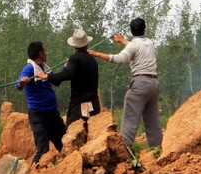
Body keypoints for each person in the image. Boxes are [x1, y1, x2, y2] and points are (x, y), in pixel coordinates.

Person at [89, 17, 163, 148]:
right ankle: (157, 150)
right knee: (153, 121)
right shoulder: (150, 43)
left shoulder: (132, 45)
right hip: (154, 84)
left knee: (130, 119)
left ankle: (125, 151)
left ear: (131, 30)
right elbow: (135, 46)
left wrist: (96, 54)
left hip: (140, 84)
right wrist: (122, 41)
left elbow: (120, 58)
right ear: (144, 29)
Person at [16, 41, 64, 164]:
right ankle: (34, 173)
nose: (46, 53)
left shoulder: (44, 68)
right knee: (43, 149)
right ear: (40, 53)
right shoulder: (29, 68)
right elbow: (18, 85)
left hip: (52, 113)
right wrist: (22, 81)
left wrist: (65, 68)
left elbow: (56, 81)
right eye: (45, 50)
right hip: (38, 115)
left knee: (62, 142)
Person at [43, 27, 101, 126]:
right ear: (87, 44)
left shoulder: (74, 59)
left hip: (79, 107)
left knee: (73, 134)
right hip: (94, 105)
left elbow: (68, 75)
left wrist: (48, 76)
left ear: (74, 45)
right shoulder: (92, 60)